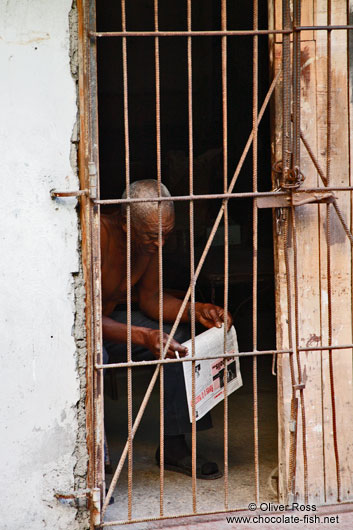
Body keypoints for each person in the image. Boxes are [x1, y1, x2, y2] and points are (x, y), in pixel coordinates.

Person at [101, 179, 232, 479]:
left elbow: (152, 300)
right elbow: (84, 317)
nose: (160, 244)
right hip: (89, 332)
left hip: (116, 322)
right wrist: (144, 336)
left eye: (166, 235)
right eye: (151, 235)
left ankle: (174, 446)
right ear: (125, 223)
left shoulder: (150, 242)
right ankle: (95, 457)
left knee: (180, 341)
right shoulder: (98, 235)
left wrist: (198, 310)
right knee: (99, 358)